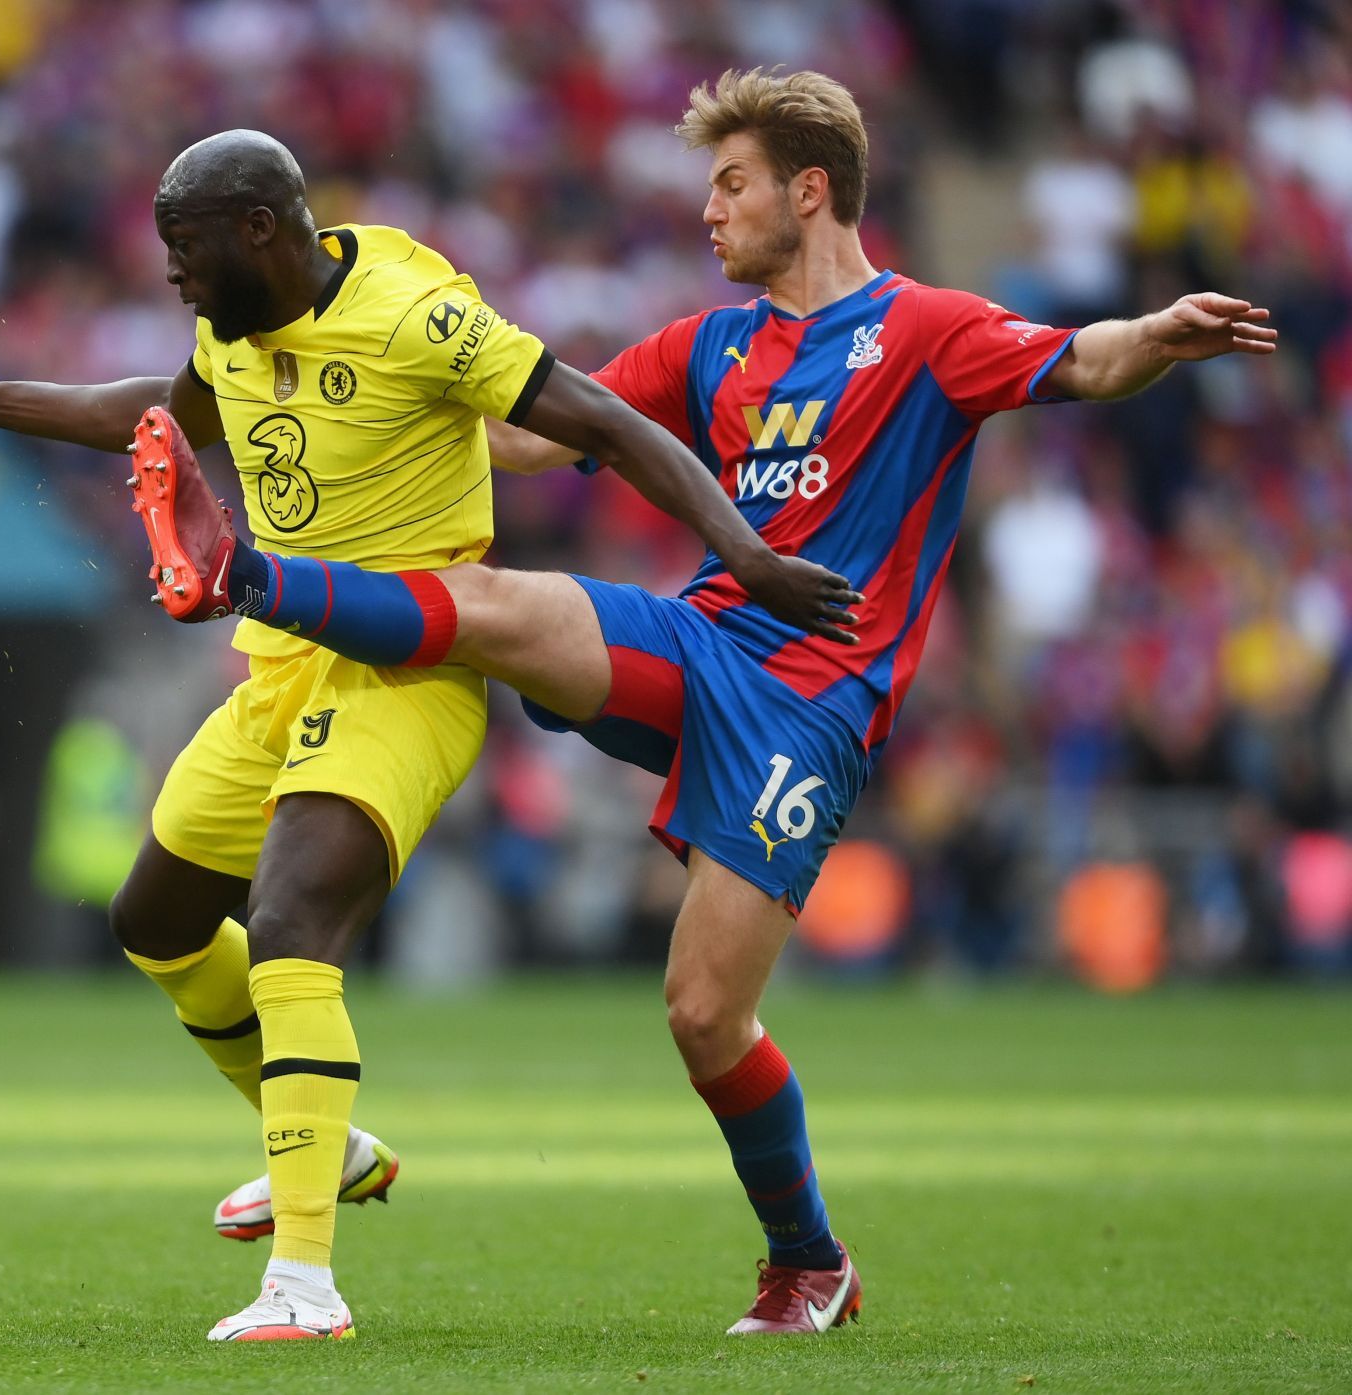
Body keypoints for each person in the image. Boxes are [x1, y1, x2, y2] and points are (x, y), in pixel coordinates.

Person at [128, 72, 1278, 1335]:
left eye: (730, 185)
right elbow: (527, 430)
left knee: (704, 1015)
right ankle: (244, 575)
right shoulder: (707, 345)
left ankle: (809, 1262)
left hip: (811, 704)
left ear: (809, 189)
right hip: (704, 640)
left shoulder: (926, 331)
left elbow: (1077, 360)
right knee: (498, 599)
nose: (711, 213)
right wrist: (399, 346)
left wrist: (1160, 334)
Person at [0, 129, 854, 1342]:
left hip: (410, 668)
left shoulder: (415, 317)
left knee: (295, 924)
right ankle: (317, 1136)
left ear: (258, 230)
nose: (173, 277)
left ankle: (304, 1284)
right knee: (154, 922)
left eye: (184, 250)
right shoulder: (232, 326)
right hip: (279, 669)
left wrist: (747, 554)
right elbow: (162, 409)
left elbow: (608, 422)